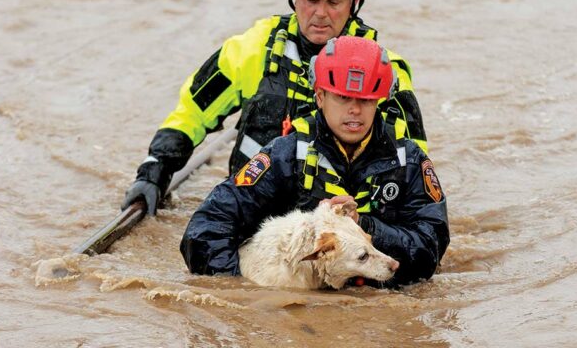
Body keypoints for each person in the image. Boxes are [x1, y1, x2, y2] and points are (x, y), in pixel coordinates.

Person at [122, 0, 429, 216]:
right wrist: (155, 170)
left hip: (338, 223)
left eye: (333, 2)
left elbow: (412, 164)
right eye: (309, 0)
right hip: (253, 208)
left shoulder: (385, 70)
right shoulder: (254, 48)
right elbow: (194, 109)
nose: (320, 13)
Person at [182, 36, 449, 286]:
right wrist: (242, 289)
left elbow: (430, 250)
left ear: (378, 101)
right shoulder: (284, 155)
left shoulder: (410, 161)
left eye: (365, 100)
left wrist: (364, 227)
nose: (354, 109)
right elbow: (205, 231)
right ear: (320, 96)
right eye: (343, 97)